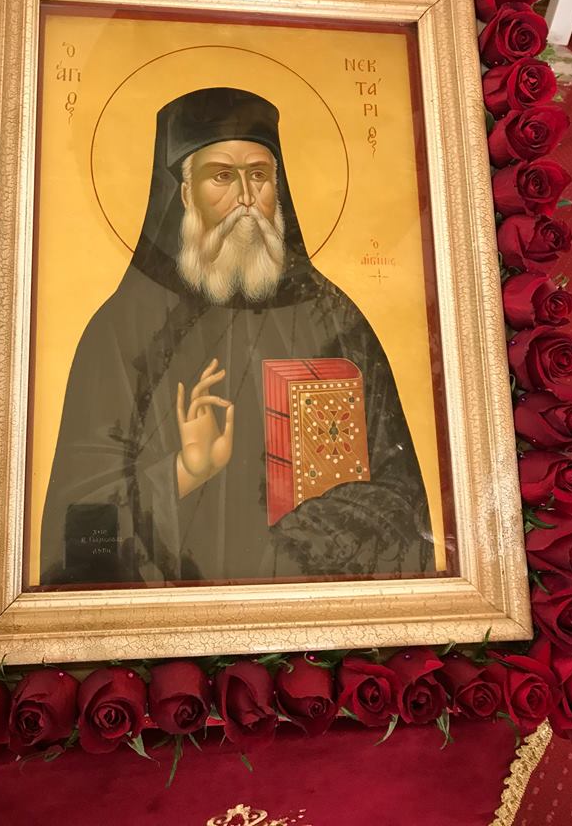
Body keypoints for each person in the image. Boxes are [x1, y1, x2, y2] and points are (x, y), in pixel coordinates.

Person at [40, 87, 435, 585]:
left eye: (259, 175)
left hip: (312, 600)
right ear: (185, 194)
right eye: (222, 176)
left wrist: (300, 545)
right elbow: (77, 525)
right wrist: (185, 471)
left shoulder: (335, 319)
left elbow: (401, 494)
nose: (246, 197)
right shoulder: (124, 329)